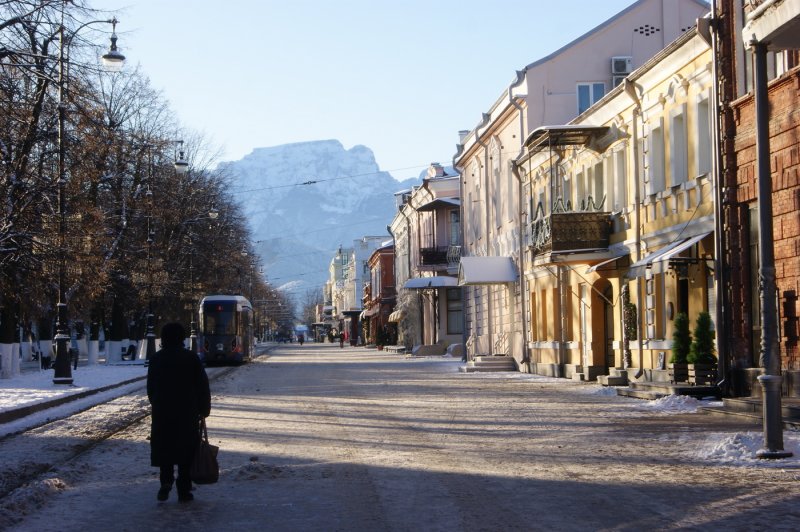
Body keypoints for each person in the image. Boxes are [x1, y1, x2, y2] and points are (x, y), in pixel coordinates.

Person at [147, 322, 211, 503]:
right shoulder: (190, 358)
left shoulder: (156, 359)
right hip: (187, 413)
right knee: (186, 452)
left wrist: (158, 404)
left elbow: (151, 388)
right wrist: (204, 409)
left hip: (163, 413)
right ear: (182, 338)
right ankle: (184, 490)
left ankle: (166, 481)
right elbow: (202, 386)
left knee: (165, 449)